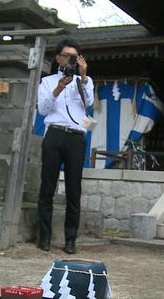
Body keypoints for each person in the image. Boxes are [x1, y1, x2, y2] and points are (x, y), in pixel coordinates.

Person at [36, 39, 94, 254]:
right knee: (47, 186)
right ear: (58, 57)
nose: (69, 59)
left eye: (74, 56)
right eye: (66, 55)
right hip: (54, 134)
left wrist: (84, 76)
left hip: (76, 137)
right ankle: (45, 237)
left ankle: (71, 239)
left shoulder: (85, 81)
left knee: (73, 189)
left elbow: (88, 103)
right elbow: (42, 110)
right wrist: (58, 89)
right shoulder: (48, 81)